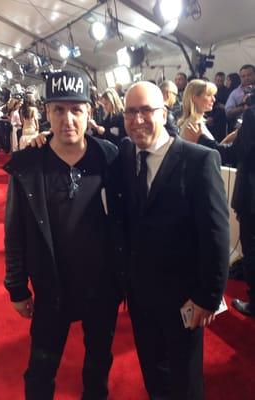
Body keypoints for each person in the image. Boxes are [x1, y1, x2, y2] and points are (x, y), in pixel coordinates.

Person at [3, 69, 125, 400]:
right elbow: (14, 231)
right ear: (46, 113)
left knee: (99, 364)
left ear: (89, 113)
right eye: (58, 110)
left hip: (102, 286)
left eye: (76, 110)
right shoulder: (28, 166)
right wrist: (16, 286)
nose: (68, 119)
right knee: (41, 369)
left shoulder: (110, 157)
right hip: (50, 288)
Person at [120, 81, 229, 400]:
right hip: (140, 296)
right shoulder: (126, 154)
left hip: (185, 300)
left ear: (164, 112)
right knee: (153, 375)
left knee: (185, 381)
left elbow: (216, 235)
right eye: (130, 112)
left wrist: (208, 297)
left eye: (145, 111)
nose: (137, 120)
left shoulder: (199, 161)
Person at [183, 97, 255, 317]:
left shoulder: (252, 114)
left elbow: (233, 154)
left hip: (251, 198)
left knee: (251, 250)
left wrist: (202, 140)